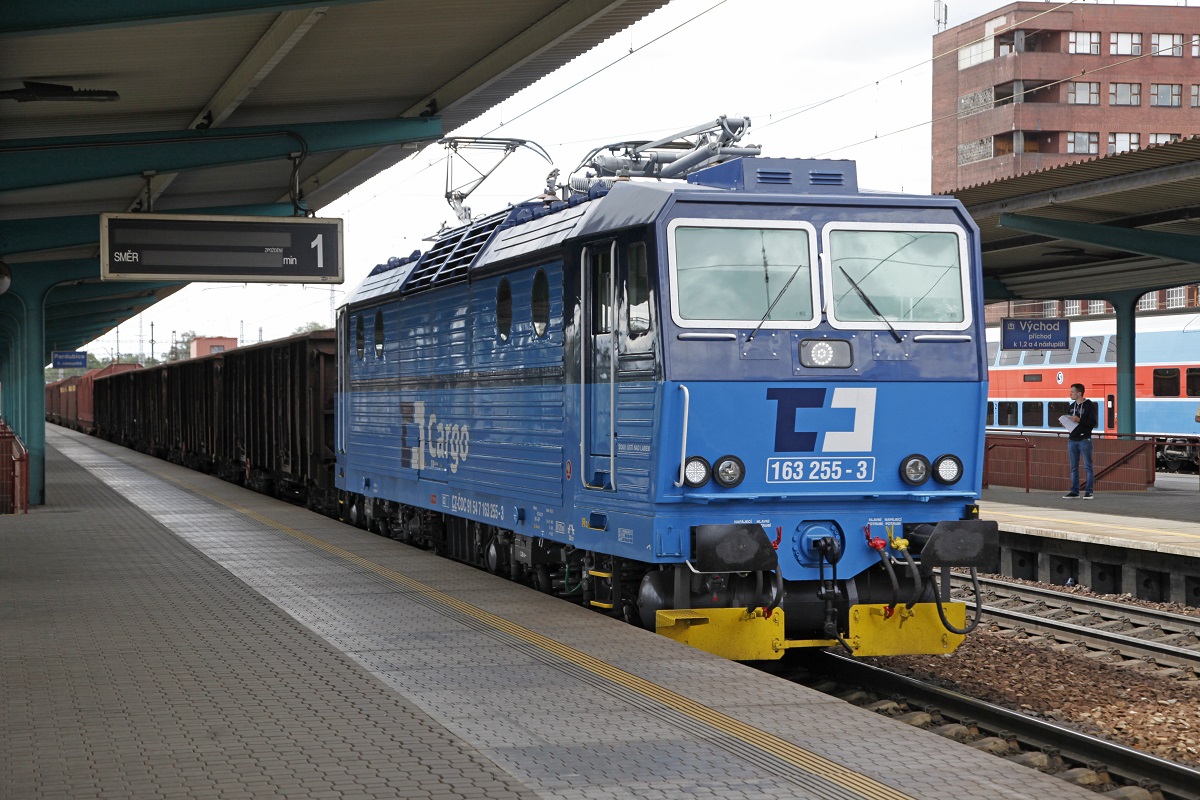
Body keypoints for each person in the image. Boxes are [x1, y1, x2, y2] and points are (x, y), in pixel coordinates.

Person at [1063, 383, 1098, 499]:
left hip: (1084, 439)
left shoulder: (1089, 406)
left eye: (1072, 392)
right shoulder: (1071, 406)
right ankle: (1074, 491)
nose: (1070, 394)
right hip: (1072, 439)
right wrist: (1066, 422)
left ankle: (1089, 491)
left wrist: (1079, 420)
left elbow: (1093, 423)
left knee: (1088, 467)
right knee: (1073, 467)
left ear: (1079, 393)